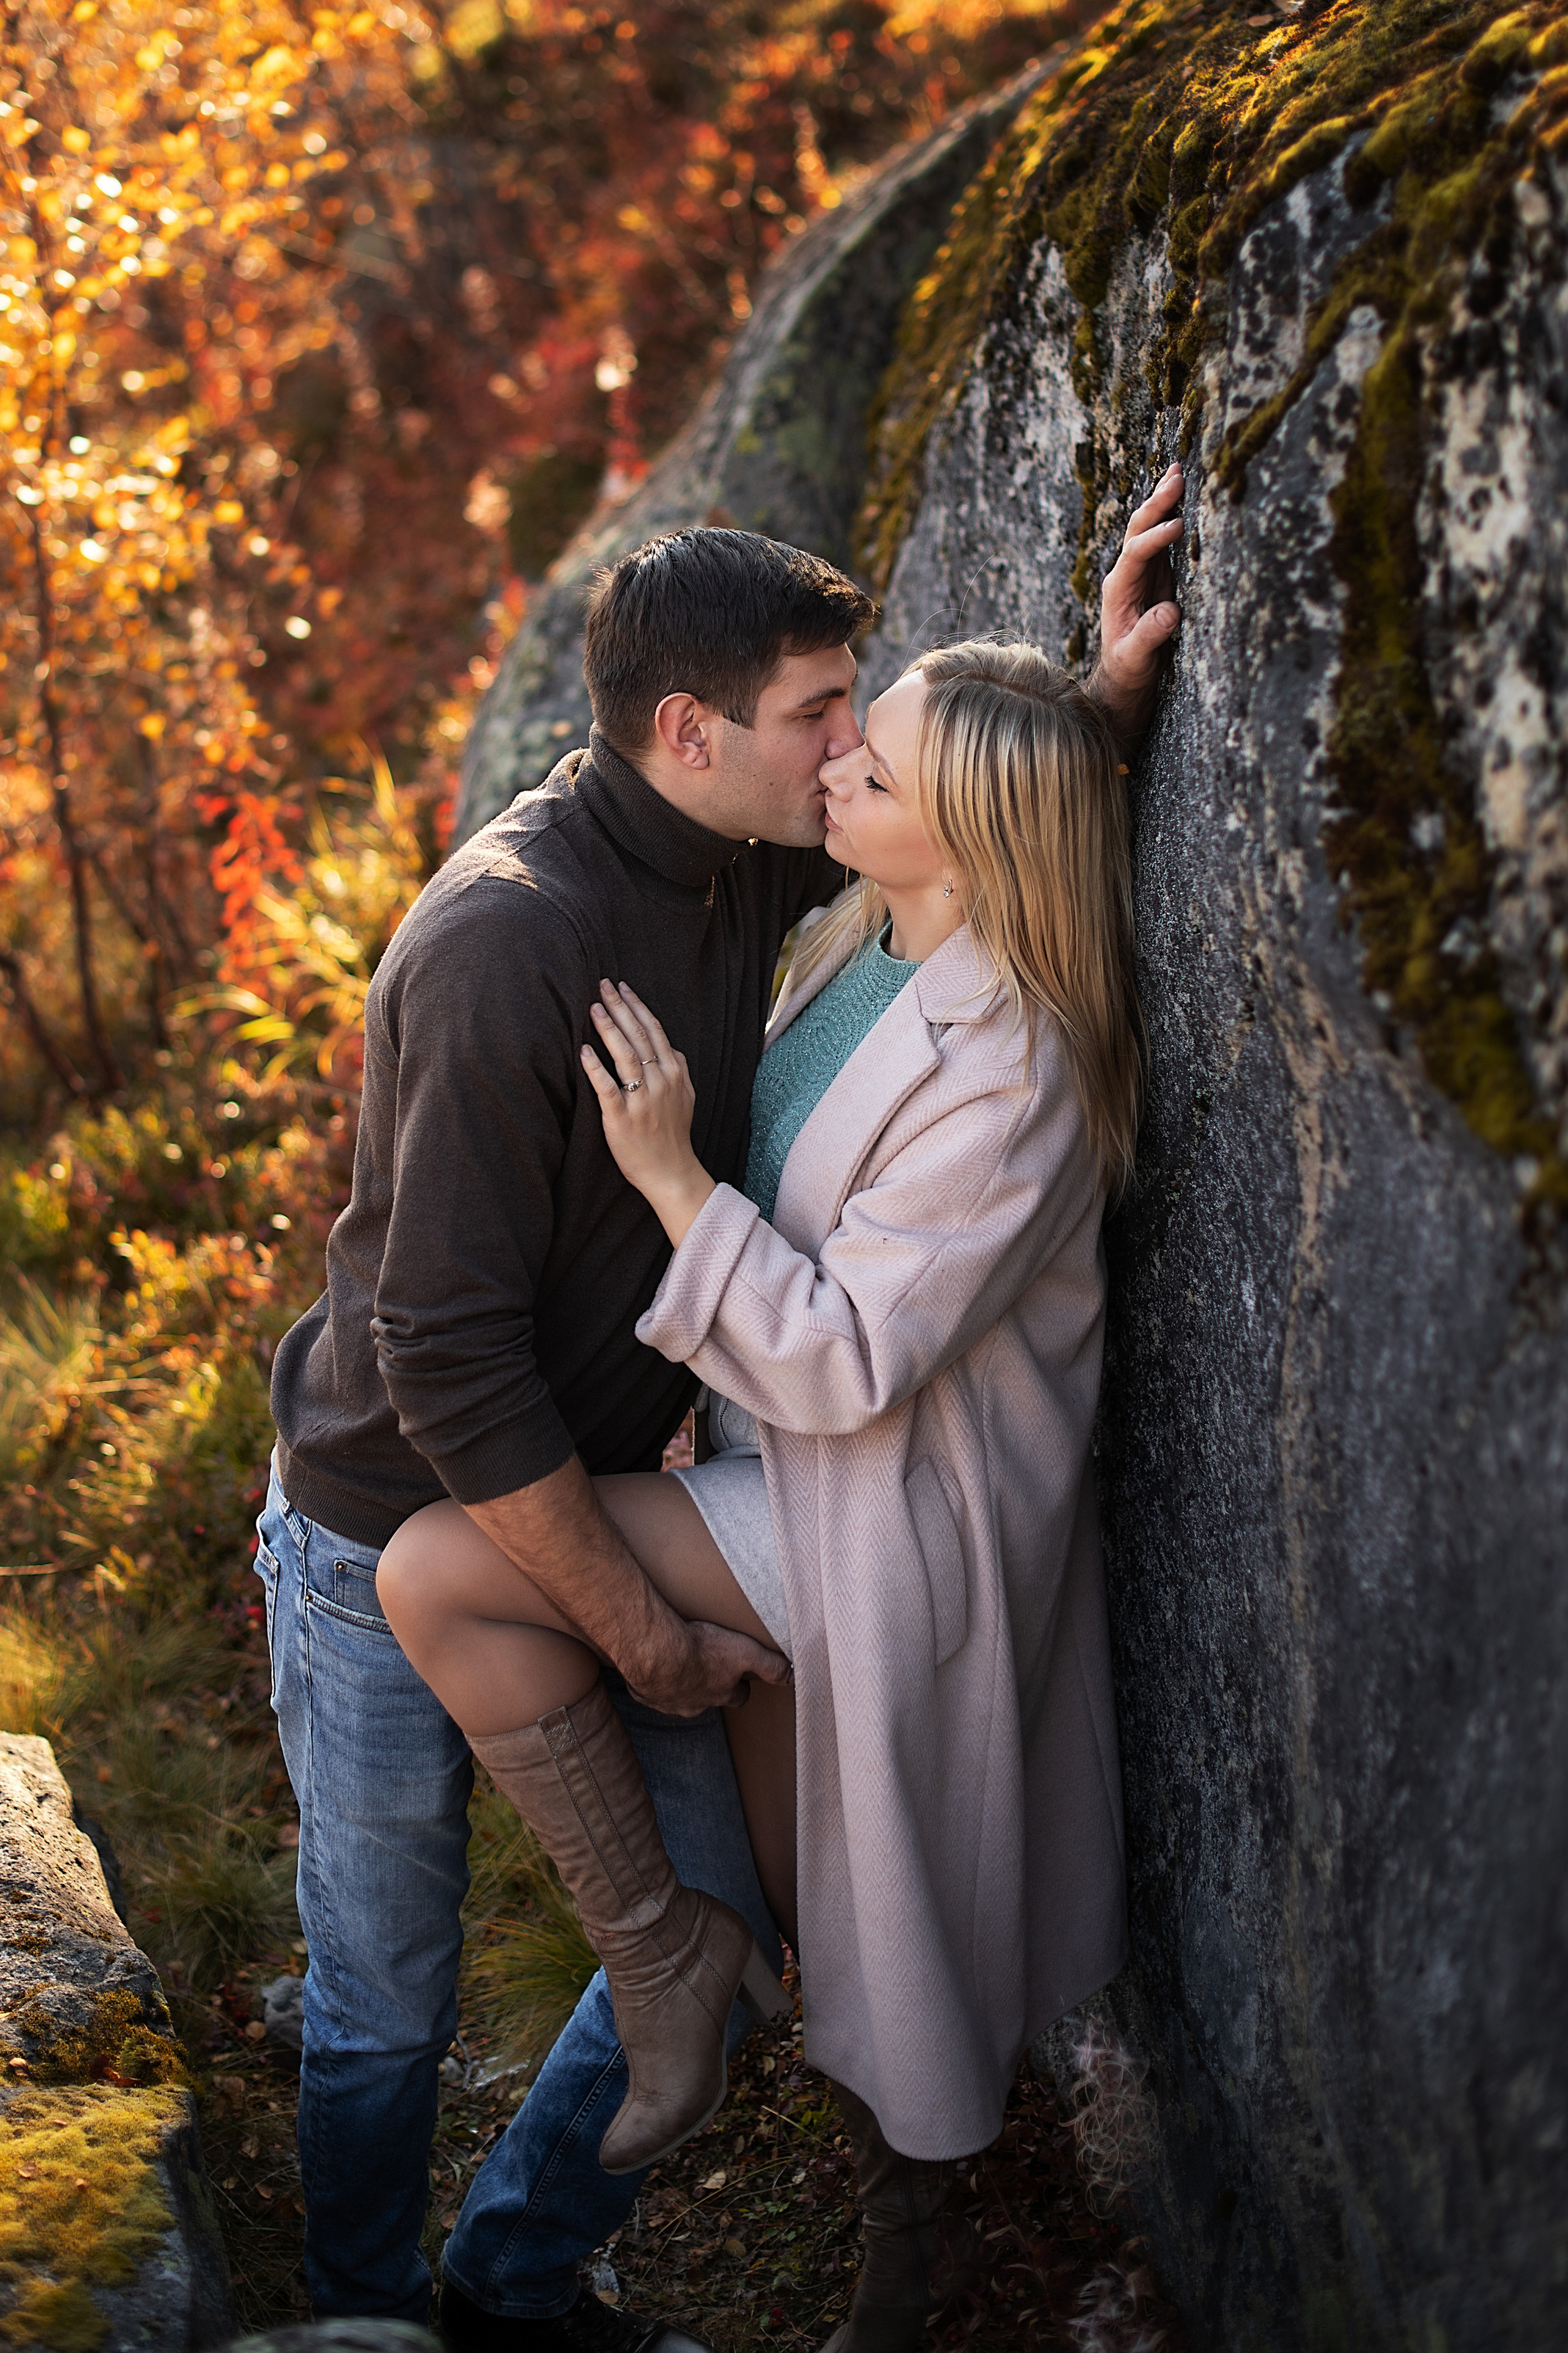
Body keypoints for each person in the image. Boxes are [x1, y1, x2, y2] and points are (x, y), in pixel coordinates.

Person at [257, 482, 1183, 2353]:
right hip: (387, 1518)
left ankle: (514, 2282)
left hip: (655, 1489)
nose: (844, 748)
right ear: (691, 735)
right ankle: (360, 2317)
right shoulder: (500, 945)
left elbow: (964, 829)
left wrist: (1097, 700)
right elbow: (441, 1355)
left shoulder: (746, 858)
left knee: (716, 1925)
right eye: (817, 714)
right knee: (383, 1993)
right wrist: (633, 1627)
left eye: (861, 716)